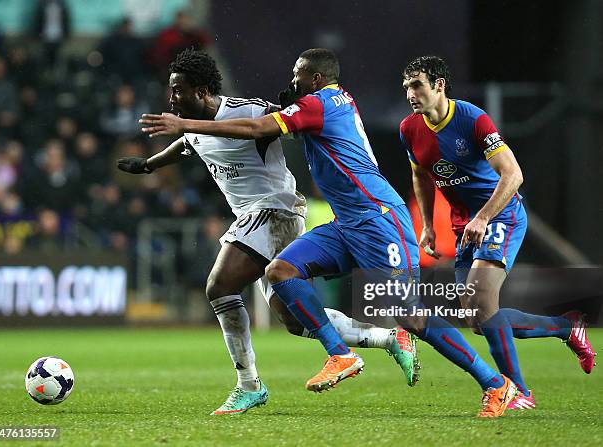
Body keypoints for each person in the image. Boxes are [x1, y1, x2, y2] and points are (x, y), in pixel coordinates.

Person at [140, 48, 520, 418]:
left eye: (297, 76)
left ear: (316, 78)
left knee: (412, 318)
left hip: (379, 218)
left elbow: (256, 127)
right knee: (281, 271)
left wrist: (184, 123)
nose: (292, 82)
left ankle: (494, 383)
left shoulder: (317, 104)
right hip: (347, 222)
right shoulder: (328, 101)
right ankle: (341, 354)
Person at [120, 48, 418, 415]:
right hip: (256, 218)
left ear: (200, 91)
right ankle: (388, 338)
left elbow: (263, 127)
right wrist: (149, 165)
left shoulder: (247, 110)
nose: (172, 99)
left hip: (274, 210)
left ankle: (250, 385)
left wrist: (292, 112)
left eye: (178, 91)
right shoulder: (193, 125)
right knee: (293, 319)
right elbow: (189, 144)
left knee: (219, 285)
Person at [399, 55, 597, 410]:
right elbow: (420, 176)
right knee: (478, 320)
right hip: (465, 227)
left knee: (483, 301)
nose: (411, 93)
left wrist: (484, 217)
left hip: (500, 216)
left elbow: (513, 174)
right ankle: (565, 328)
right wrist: (428, 224)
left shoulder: (472, 119)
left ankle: (518, 390)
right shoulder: (409, 129)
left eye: (418, 85)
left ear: (439, 85)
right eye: (407, 87)